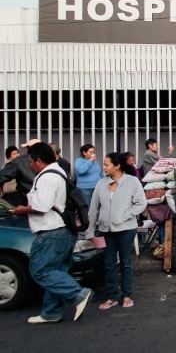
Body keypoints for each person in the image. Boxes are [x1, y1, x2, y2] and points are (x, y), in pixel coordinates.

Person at [10, 142, 93, 324]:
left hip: (51, 231)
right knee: (56, 271)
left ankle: (78, 293)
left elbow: (42, 206)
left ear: (39, 161)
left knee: (41, 271)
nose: (30, 164)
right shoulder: (59, 172)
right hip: (63, 231)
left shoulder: (46, 177)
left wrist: (21, 210)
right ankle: (51, 312)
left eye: (31, 161)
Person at [86, 152, 147, 310]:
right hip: (106, 229)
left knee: (126, 263)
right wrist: (91, 231)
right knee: (109, 264)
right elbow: (93, 209)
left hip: (126, 228)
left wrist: (126, 215)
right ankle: (111, 296)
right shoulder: (101, 184)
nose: (103, 167)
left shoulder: (132, 181)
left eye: (107, 165)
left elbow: (141, 203)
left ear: (117, 165)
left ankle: (127, 294)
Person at [0, 139, 41, 206]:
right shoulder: (50, 160)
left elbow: (2, 176)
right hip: (48, 201)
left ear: (28, 149)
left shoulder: (19, 161)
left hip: (26, 201)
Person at [73, 144, 105, 208]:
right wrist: (90, 161)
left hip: (96, 187)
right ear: (84, 153)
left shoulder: (95, 162)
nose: (93, 154)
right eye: (90, 152)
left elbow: (99, 172)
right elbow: (81, 170)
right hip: (85, 188)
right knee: (88, 207)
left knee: (97, 207)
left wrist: (105, 180)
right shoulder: (79, 161)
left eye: (94, 152)